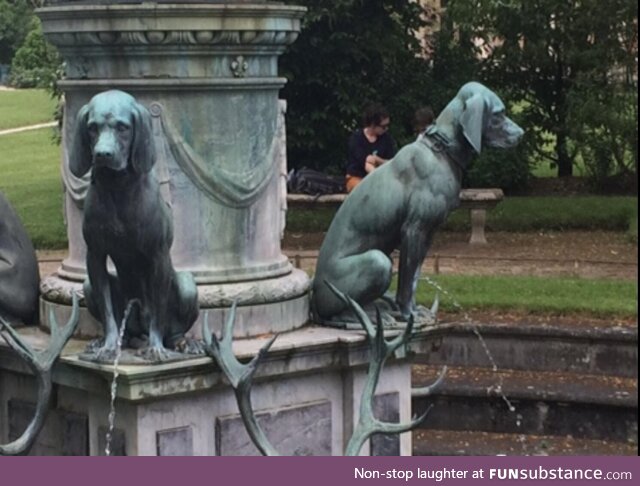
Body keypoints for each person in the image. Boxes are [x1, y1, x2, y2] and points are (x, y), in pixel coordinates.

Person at [345, 103, 397, 193]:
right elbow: (366, 163)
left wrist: (377, 160)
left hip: (381, 179)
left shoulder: (387, 139)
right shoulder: (357, 138)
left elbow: (392, 162)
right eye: (383, 127)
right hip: (357, 178)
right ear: (373, 125)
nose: (386, 129)